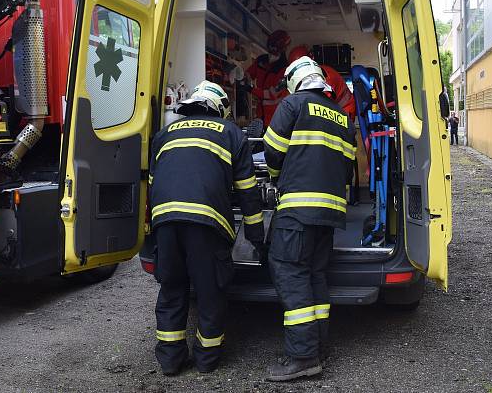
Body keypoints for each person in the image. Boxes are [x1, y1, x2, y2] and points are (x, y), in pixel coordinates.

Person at [149, 81, 265, 375]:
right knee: (209, 291)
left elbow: (152, 184)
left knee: (172, 289)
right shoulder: (230, 133)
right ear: (220, 108)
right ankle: (206, 361)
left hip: (165, 220)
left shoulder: (164, 134)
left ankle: (171, 361)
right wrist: (256, 236)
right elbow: (248, 190)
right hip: (205, 222)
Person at [262, 56, 357, 382]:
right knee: (315, 276)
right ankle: (318, 347)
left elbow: (272, 152)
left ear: (294, 81)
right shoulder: (343, 117)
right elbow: (347, 168)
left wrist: (278, 176)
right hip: (329, 214)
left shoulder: (292, 105)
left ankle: (302, 357)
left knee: (291, 274)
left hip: (298, 211)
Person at [288, 45, 356, 122]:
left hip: (344, 111)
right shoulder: (310, 77)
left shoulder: (325, 77)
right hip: (334, 110)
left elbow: (320, 104)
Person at [246, 30, 291, 127]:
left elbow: (273, 94)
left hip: (274, 116)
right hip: (259, 114)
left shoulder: (284, 69)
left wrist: (251, 89)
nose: (272, 51)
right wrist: (243, 77)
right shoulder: (261, 60)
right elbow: (249, 73)